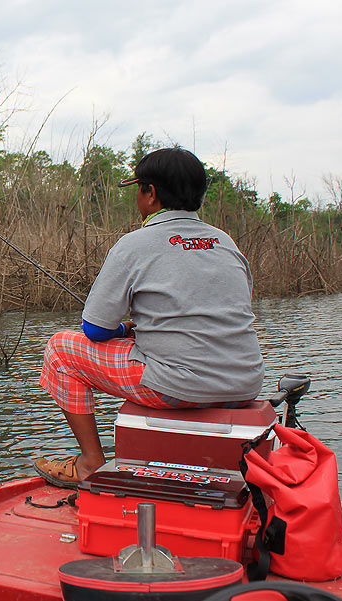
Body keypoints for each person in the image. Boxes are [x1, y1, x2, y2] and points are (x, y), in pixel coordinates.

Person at [34, 147, 264, 488]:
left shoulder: (134, 244)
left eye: (138, 189)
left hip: (178, 388)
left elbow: (95, 329)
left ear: (151, 193)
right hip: (245, 384)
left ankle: (89, 463)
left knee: (59, 351)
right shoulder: (226, 242)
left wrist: (125, 328)